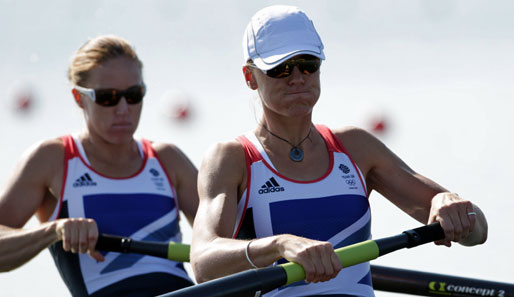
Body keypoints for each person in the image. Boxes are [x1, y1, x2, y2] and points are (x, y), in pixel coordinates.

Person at [190, 5, 488, 297]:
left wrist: (450, 204)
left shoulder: (356, 147)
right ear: (250, 77)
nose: (297, 77)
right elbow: (203, 263)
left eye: (308, 63)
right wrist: (280, 245)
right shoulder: (232, 158)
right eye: (280, 68)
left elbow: (479, 231)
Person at [0, 35, 199, 297]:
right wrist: (54, 230)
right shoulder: (52, 160)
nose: (123, 109)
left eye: (134, 95)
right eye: (108, 97)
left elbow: (229, 242)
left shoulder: (168, 159)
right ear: (79, 98)